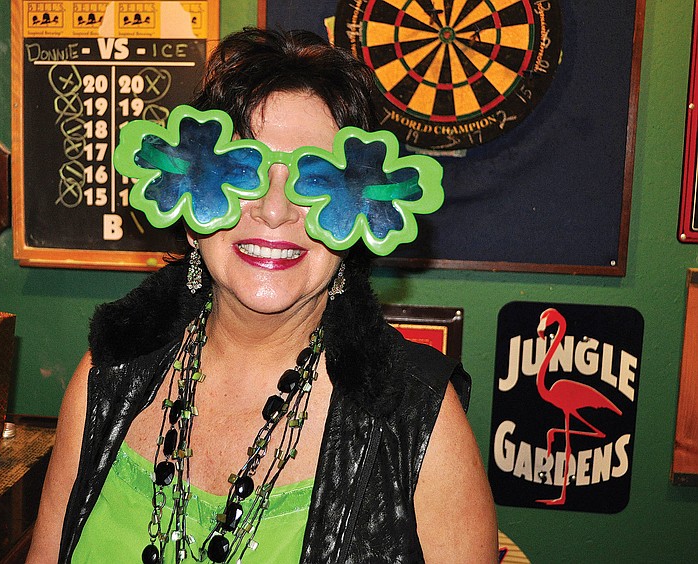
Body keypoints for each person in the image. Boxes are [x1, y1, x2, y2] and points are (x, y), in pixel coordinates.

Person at [27, 27, 496, 564]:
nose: (274, 211)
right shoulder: (108, 377)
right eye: (242, 172)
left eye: (314, 180)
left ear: (360, 216)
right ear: (189, 208)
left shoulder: (421, 421)